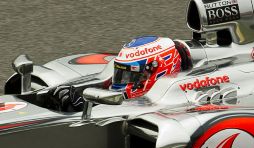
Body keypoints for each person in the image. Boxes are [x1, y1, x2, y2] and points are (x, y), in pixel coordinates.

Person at [52, 36, 182, 111]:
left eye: (130, 75)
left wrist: (80, 108)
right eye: (120, 73)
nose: (122, 80)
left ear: (154, 70)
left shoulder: (174, 106)